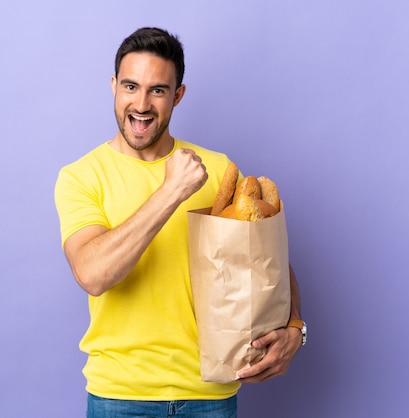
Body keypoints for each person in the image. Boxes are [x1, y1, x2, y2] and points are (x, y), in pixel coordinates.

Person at [55, 27, 305, 418]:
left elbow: (268, 259)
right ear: (113, 86)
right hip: (120, 397)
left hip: (211, 394)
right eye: (130, 86)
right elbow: (92, 273)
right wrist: (172, 191)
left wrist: (294, 327)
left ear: (178, 95)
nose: (141, 103)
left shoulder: (219, 170)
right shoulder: (82, 176)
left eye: (157, 90)